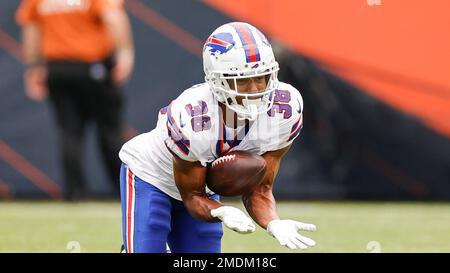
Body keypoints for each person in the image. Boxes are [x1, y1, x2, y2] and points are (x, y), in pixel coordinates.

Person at [118, 22, 316, 253]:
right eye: (242, 80)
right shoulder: (193, 116)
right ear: (217, 80)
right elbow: (192, 196)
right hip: (152, 176)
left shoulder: (285, 109)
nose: (255, 90)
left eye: (261, 77)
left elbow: (260, 189)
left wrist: (273, 222)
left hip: (202, 185)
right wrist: (218, 210)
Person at [16, 0, 134, 201]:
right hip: (93, 67)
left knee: (70, 132)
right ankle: (123, 191)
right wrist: (125, 53)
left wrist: (33, 67)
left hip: (57, 69)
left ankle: (74, 193)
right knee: (109, 131)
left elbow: (31, 29)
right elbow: (114, 18)